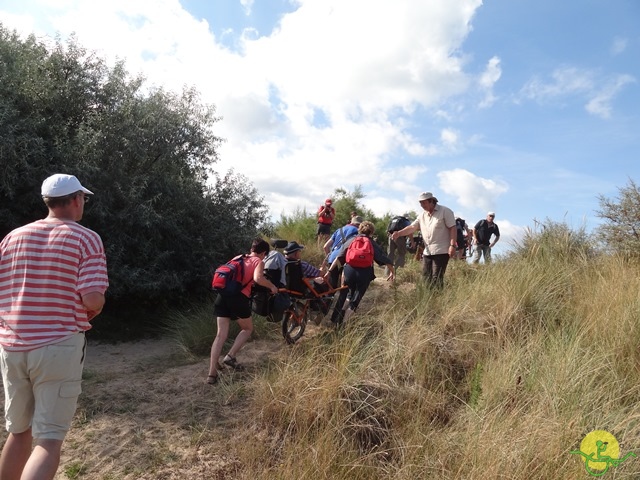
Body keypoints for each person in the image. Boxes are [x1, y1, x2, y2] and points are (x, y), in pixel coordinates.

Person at [0, 173, 109, 480]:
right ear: (76, 200)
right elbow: (92, 300)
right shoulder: (85, 238)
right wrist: (96, 308)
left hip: (11, 347)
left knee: (19, 433)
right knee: (48, 440)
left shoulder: (12, 237)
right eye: (83, 199)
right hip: (58, 345)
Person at [207, 238, 278, 385]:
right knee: (247, 328)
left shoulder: (238, 257)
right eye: (265, 255)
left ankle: (212, 374)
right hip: (238, 298)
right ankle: (230, 356)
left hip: (222, 296)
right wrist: (271, 286)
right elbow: (258, 278)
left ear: (252, 249)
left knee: (220, 335)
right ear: (263, 252)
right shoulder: (258, 261)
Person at [329, 221, 395, 326]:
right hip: (364, 273)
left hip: (349, 271)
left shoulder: (352, 240)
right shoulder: (372, 243)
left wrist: (329, 271)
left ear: (359, 229)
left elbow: (339, 257)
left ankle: (338, 319)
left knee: (349, 295)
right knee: (355, 299)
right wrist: (392, 271)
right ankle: (344, 326)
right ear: (372, 232)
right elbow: (383, 258)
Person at [391, 192, 456, 288]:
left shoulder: (445, 211)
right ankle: (428, 298)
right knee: (425, 277)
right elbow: (412, 227)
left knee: (436, 277)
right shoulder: (422, 215)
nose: (422, 205)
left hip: (441, 250)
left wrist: (452, 245)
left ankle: (437, 299)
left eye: (424, 203)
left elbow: (452, 228)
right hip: (427, 252)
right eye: (420, 203)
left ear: (431, 201)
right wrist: (399, 233)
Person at [322, 215, 362, 287]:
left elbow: (325, 246)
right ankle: (343, 297)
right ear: (360, 224)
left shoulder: (339, 230)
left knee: (332, 283)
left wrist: (329, 257)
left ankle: (329, 297)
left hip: (333, 258)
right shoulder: (358, 232)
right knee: (344, 284)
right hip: (345, 258)